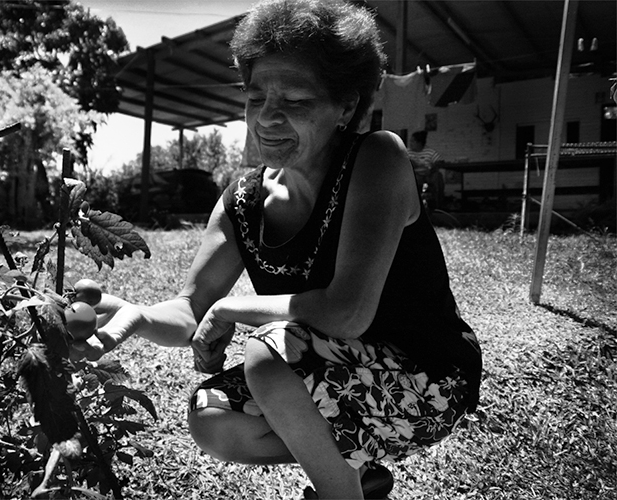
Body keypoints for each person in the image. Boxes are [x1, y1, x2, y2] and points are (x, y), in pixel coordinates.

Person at [73, 1, 482, 498]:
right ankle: (358, 478)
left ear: (346, 107)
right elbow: (190, 311)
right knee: (213, 418)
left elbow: (346, 312)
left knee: (270, 354)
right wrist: (134, 315)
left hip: (428, 379)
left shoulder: (377, 159)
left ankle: (340, 494)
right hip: (338, 377)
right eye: (256, 97)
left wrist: (233, 309)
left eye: (295, 100)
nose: (267, 117)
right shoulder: (242, 202)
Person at [407, 130, 445, 211]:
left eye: (413, 141)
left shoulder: (430, 152)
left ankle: (438, 206)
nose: (410, 143)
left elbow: (440, 162)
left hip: (428, 174)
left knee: (438, 177)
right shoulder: (407, 152)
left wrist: (431, 170)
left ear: (419, 143)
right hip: (414, 175)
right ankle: (414, 207)